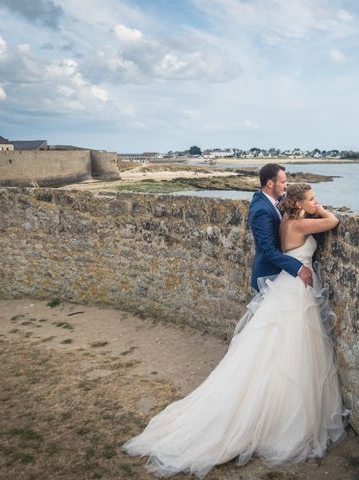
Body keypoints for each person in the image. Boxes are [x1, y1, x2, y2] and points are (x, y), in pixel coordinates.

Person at [122, 182, 346, 478]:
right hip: (296, 289)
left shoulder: (288, 222)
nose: (316, 201)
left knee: (276, 350)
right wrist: (321, 209)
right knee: (292, 350)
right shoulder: (301, 223)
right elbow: (333, 222)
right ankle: (282, 421)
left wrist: (311, 207)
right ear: (300, 204)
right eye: (312, 198)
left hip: (289, 285)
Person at [248, 163, 313, 291]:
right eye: (283, 182)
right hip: (268, 275)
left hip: (279, 273)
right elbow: (268, 250)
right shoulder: (261, 210)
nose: (286, 186)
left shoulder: (267, 199)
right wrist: (298, 268)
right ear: (270, 184)